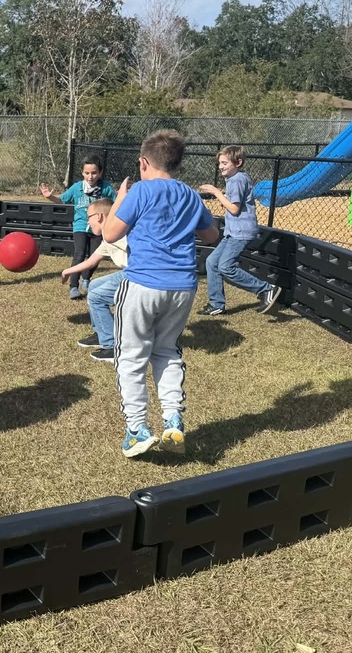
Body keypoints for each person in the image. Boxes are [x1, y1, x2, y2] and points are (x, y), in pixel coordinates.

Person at [101, 130, 219, 459]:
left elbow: (110, 233)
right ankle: (173, 421)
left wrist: (121, 199)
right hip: (182, 287)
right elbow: (212, 235)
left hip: (142, 284)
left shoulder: (139, 192)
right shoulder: (191, 196)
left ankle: (137, 429)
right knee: (166, 352)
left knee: (131, 357)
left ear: (143, 162)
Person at [197, 145, 281, 316]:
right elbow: (236, 204)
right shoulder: (237, 179)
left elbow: (234, 209)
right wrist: (224, 199)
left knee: (226, 267)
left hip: (241, 232)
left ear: (238, 162)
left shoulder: (236, 180)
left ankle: (266, 289)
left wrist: (215, 192)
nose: (220, 166)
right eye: (219, 163)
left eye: (224, 163)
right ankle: (217, 304)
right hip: (233, 231)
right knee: (212, 262)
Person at [60, 198, 127, 364]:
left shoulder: (119, 234)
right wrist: (68, 270)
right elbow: (91, 261)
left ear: (99, 217)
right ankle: (101, 332)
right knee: (95, 285)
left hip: (136, 275)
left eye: (88, 217)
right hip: (128, 272)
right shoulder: (108, 236)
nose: (87, 223)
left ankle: (112, 346)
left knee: (96, 297)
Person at [41, 156, 116, 300]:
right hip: (81, 226)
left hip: (98, 228)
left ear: (100, 173)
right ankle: (73, 286)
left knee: (96, 255)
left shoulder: (105, 188)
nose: (90, 176)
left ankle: (86, 277)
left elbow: (115, 204)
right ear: (82, 173)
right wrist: (50, 197)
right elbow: (62, 199)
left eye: (94, 173)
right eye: (87, 173)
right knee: (79, 254)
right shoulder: (77, 188)